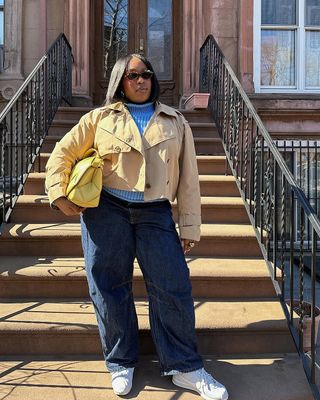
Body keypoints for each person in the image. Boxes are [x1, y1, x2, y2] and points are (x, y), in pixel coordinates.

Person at [45, 53, 228, 400]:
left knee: (172, 286)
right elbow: (62, 154)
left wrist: (189, 226)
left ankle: (185, 367)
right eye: (132, 75)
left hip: (156, 212)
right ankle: (120, 361)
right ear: (120, 80)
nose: (141, 80)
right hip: (106, 210)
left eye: (146, 74)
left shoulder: (176, 121)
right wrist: (57, 193)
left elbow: (189, 179)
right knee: (109, 287)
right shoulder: (98, 118)